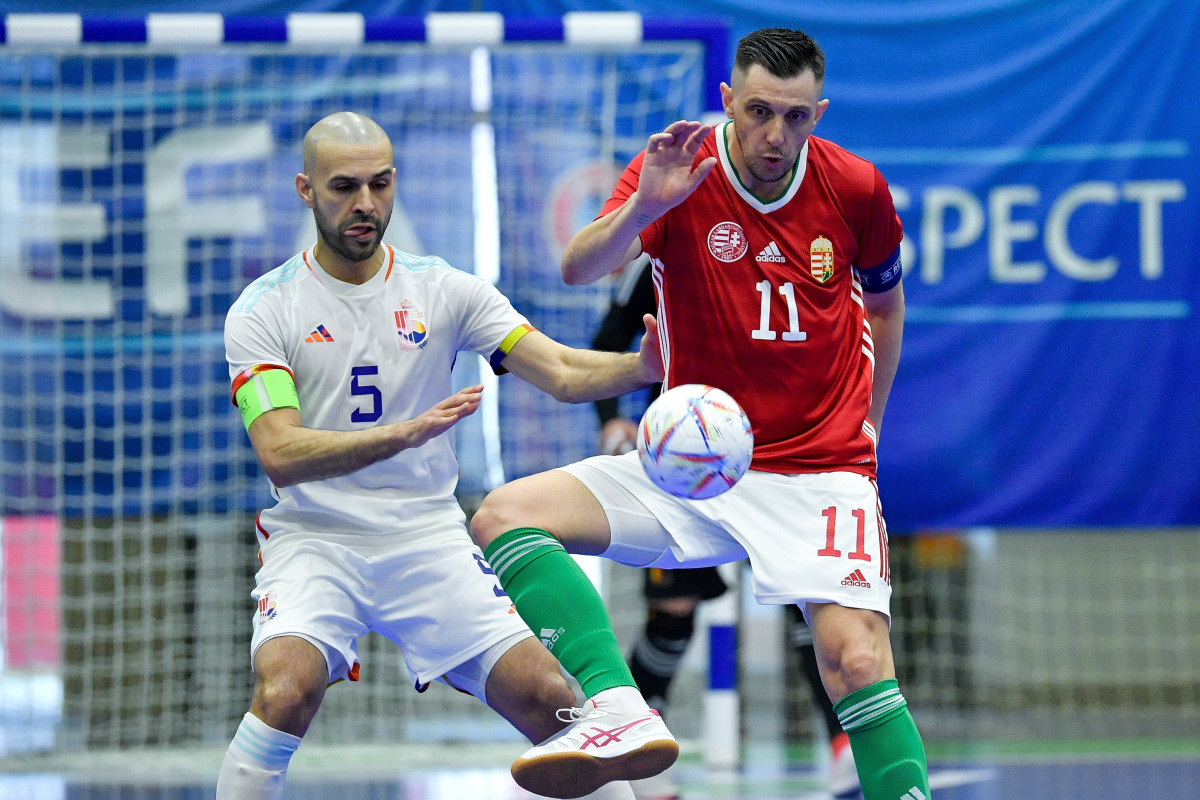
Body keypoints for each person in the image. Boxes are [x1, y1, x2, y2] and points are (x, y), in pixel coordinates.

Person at [471, 27, 929, 800]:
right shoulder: (678, 172)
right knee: (505, 514)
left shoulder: (856, 187)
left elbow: (884, 308)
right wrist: (646, 205)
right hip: (695, 464)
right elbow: (579, 268)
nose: (775, 134)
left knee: (855, 660)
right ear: (728, 100)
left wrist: (870, 427)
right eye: (759, 111)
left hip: (819, 466)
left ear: (818, 112)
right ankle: (617, 708)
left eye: (795, 116)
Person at [217, 111, 680, 800]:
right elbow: (280, 452)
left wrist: (639, 368)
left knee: (555, 703)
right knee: (285, 690)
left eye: (379, 184)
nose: (365, 203)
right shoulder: (265, 309)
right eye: (344, 187)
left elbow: (559, 370)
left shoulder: (444, 289)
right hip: (317, 539)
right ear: (305, 190)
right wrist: (400, 435)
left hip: (425, 536)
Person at [591, 256, 861, 800]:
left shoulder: (801, 242)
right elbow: (608, 338)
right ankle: (639, 746)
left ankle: (843, 744)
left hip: (778, 450)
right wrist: (610, 417)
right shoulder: (668, 246)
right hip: (686, 457)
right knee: (673, 611)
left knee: (807, 598)